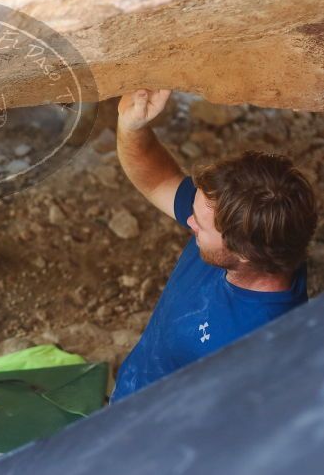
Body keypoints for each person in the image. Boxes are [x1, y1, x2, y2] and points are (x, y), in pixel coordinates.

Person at [111, 89, 318, 403]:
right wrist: (131, 126)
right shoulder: (258, 232)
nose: (189, 224)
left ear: (244, 253)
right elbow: (156, 180)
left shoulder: (260, 347)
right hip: (134, 394)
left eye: (200, 226)